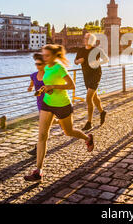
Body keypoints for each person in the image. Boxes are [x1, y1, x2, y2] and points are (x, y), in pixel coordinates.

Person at [24, 44, 94, 182]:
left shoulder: (59, 67)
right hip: (47, 103)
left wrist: (53, 87)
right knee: (42, 135)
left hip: (62, 105)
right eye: (43, 55)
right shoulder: (47, 67)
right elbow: (48, 83)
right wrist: (44, 89)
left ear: (55, 56)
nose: (44, 57)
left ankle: (87, 138)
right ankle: (38, 171)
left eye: (47, 55)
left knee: (69, 132)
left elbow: (71, 85)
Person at [74, 33, 109, 130]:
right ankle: (102, 112)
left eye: (88, 38)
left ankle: (89, 122)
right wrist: (78, 61)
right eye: (85, 38)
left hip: (96, 75)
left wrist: (98, 62)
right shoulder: (81, 50)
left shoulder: (97, 50)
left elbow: (106, 59)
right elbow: (75, 61)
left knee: (88, 98)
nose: (85, 39)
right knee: (94, 97)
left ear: (92, 40)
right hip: (86, 76)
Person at [26, 53, 58, 156]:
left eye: (39, 64)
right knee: (46, 124)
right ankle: (60, 122)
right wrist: (30, 88)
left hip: (50, 101)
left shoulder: (49, 75)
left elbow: (55, 88)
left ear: (45, 64)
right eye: (36, 64)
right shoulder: (33, 75)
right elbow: (32, 84)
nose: (37, 66)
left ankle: (38, 148)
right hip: (40, 103)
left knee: (42, 125)